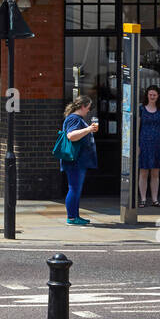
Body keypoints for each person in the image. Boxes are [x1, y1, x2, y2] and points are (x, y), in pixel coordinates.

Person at [60, 95, 99, 225]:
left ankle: (75, 216)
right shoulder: (74, 119)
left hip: (77, 160)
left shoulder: (76, 118)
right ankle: (71, 217)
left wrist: (88, 130)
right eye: (88, 107)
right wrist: (88, 129)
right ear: (82, 106)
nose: (89, 110)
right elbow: (71, 136)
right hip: (74, 160)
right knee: (74, 188)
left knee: (76, 188)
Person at [138, 86, 160, 207]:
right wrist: (137, 145)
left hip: (158, 143)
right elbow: (137, 127)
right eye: (150, 94)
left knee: (155, 173)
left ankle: (155, 200)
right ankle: (142, 199)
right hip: (144, 143)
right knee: (143, 172)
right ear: (147, 95)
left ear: (158, 96)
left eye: (154, 95)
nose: (152, 97)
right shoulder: (141, 109)